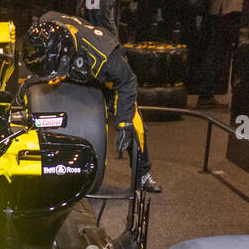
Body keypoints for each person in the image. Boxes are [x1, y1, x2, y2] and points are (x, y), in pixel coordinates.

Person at [22, 11, 162, 192]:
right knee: (28, 89)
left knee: (134, 126)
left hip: (105, 79)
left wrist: (123, 123)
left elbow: (128, 82)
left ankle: (143, 174)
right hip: (68, 64)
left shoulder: (106, 58)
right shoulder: (45, 23)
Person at [194, 0, 248, 108]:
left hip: (218, 4)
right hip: (227, 5)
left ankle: (206, 93)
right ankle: (206, 93)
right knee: (217, 51)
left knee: (215, 49)